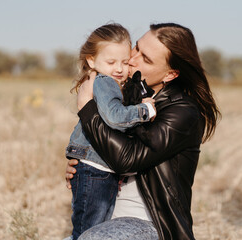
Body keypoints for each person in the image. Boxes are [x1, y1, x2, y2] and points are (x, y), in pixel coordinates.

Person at [66, 23, 221, 240]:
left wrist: (86, 108)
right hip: (106, 214)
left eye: (146, 59)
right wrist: (85, 165)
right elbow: (103, 145)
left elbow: (126, 159)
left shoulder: (183, 113)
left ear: (171, 74)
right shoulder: (127, 96)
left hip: (150, 225)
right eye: (136, 48)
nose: (132, 59)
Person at [65, 23, 156, 240]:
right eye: (111, 62)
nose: (119, 68)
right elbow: (115, 117)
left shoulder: (113, 83)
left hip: (97, 169)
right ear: (91, 60)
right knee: (88, 233)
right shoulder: (104, 82)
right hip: (95, 170)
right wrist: (146, 110)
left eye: (125, 62)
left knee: (92, 230)